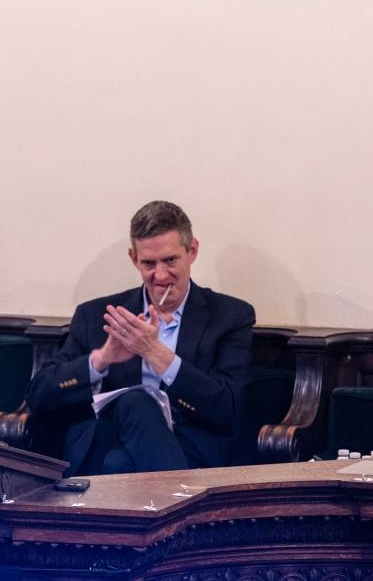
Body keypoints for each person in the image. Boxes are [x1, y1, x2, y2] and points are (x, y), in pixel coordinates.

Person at [27, 201, 255, 475]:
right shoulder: (99, 315)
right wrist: (101, 360)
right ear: (134, 259)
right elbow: (39, 394)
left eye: (170, 260)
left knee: (119, 463)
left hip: (186, 447)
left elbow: (225, 407)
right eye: (148, 263)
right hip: (105, 440)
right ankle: (181, 509)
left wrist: (157, 354)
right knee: (134, 402)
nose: (160, 275)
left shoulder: (230, 316)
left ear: (191, 251)